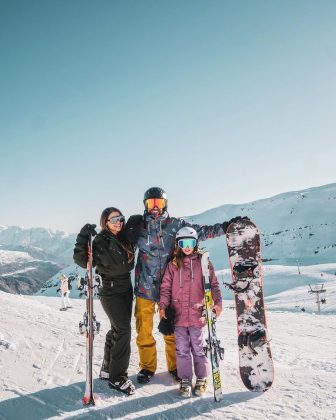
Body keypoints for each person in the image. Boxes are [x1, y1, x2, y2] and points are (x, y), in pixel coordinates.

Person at [125, 187, 229, 384]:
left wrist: (226, 227)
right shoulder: (138, 228)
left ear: (165, 205)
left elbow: (200, 232)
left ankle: (175, 367)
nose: (155, 208)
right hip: (145, 288)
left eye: (159, 203)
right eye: (151, 204)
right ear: (145, 206)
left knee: (171, 330)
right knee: (144, 330)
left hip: (171, 288)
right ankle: (147, 367)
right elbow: (118, 241)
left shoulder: (176, 225)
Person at [73, 207, 136, 396]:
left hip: (126, 287)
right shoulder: (99, 241)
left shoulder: (124, 237)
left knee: (118, 328)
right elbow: (82, 261)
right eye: (114, 219)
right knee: (123, 330)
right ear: (105, 222)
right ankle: (118, 377)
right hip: (109, 290)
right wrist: (83, 238)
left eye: (121, 218)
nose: (118, 222)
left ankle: (107, 369)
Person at [159, 227, 222, 397]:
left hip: (197, 314)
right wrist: (163, 306)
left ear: (196, 244)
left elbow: (213, 285)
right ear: (178, 245)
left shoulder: (203, 262)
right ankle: (185, 379)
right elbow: (165, 287)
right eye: (183, 243)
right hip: (178, 315)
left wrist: (217, 304)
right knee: (182, 349)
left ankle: (202, 378)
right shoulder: (173, 264)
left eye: (190, 243)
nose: (187, 247)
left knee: (198, 347)